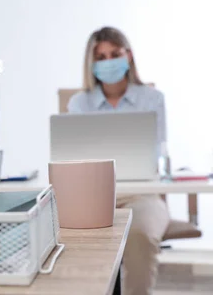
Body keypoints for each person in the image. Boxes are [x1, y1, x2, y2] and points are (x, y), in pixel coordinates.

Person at [68, 26, 169, 295]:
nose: (108, 62)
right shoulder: (79, 104)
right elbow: (74, 158)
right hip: (94, 195)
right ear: (91, 63)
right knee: (69, 236)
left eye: (115, 54)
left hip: (143, 195)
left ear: (129, 56)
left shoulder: (152, 99)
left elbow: (158, 153)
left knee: (140, 235)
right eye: (100, 57)